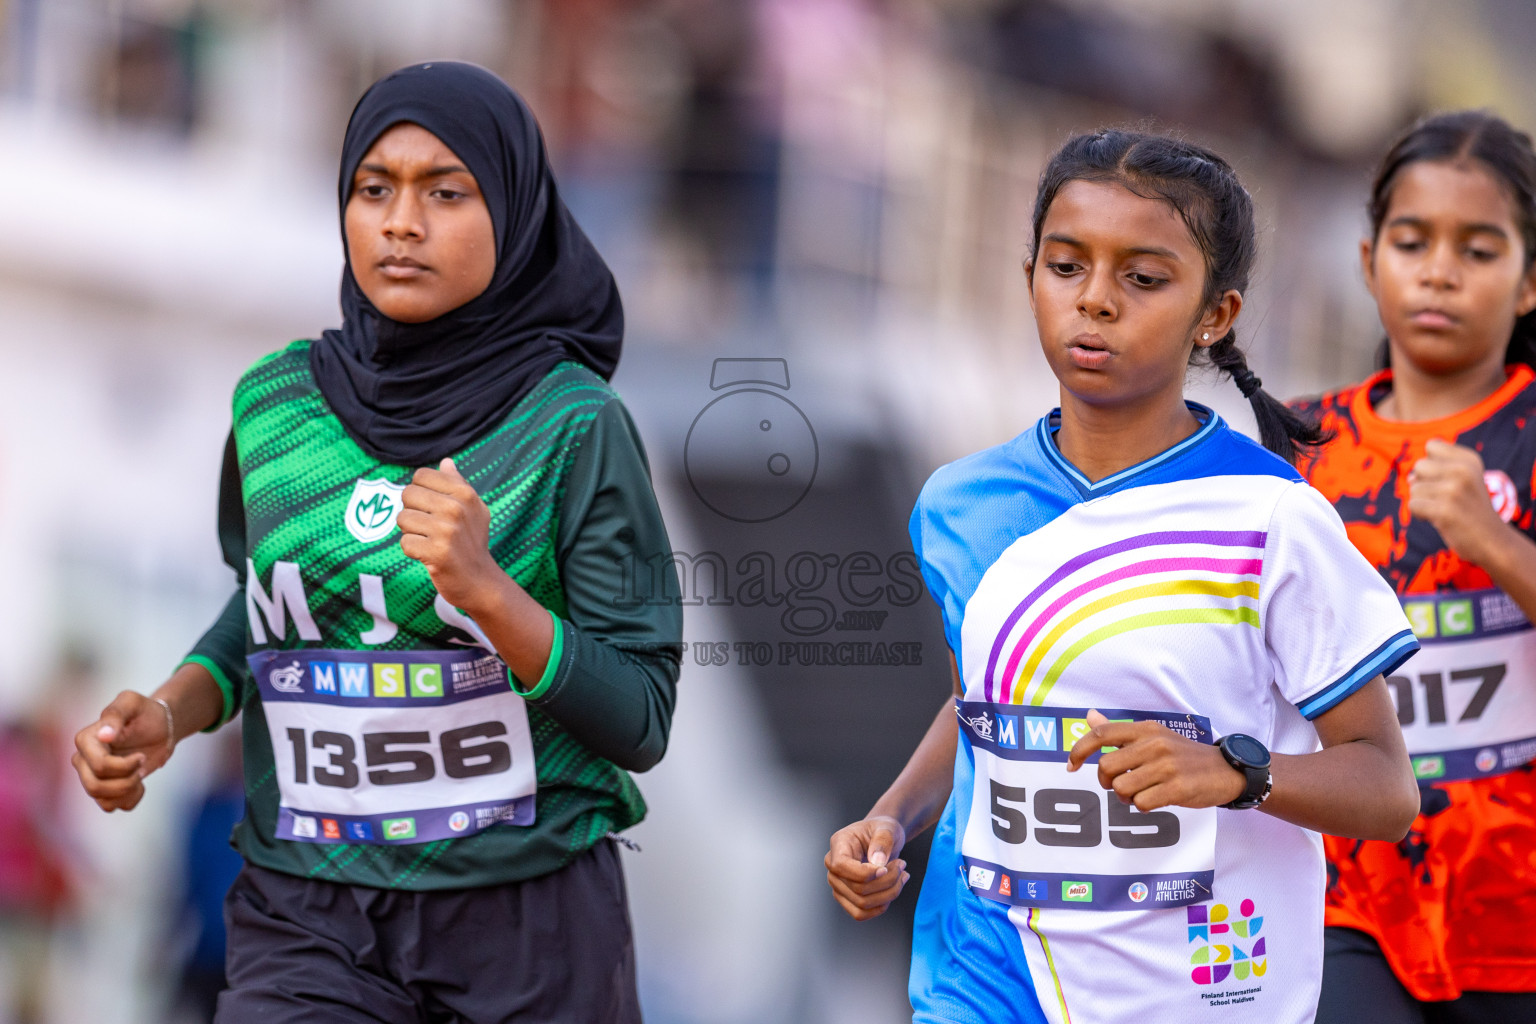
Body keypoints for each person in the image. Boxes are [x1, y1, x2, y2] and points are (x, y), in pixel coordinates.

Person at [70, 61, 682, 1024]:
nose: (401, 222)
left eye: (447, 191)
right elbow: (270, 607)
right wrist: (172, 711)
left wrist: (490, 594)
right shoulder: (273, 403)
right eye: (373, 188)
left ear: (515, 213)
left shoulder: (574, 424)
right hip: (307, 909)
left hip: (525, 922)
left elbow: (641, 718)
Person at [824, 129, 1423, 1024]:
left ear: (1215, 315)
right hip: (980, 975)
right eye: (1066, 267)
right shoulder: (959, 500)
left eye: (1143, 279)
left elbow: (1385, 788)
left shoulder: (1271, 517)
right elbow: (981, 707)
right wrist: (890, 819)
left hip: (1197, 989)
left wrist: (1234, 773)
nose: (1095, 301)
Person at [1294, 111, 1536, 1024]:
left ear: (1527, 284)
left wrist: (1495, 543)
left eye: (1479, 250)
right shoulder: (1300, 442)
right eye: (1411, 241)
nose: (1438, 270)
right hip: (1346, 900)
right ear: (1369, 264)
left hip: (1516, 917)